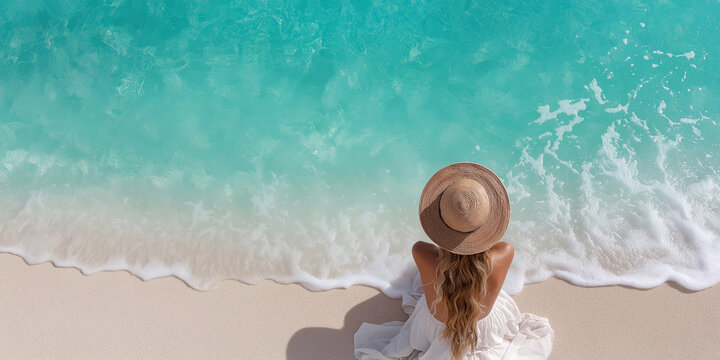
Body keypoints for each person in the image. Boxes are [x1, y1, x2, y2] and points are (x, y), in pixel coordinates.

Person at [354, 162, 554, 360]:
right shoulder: (505, 252)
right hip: (484, 330)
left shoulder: (422, 253)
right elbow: (480, 259)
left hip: (436, 329)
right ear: (489, 224)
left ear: (440, 225)